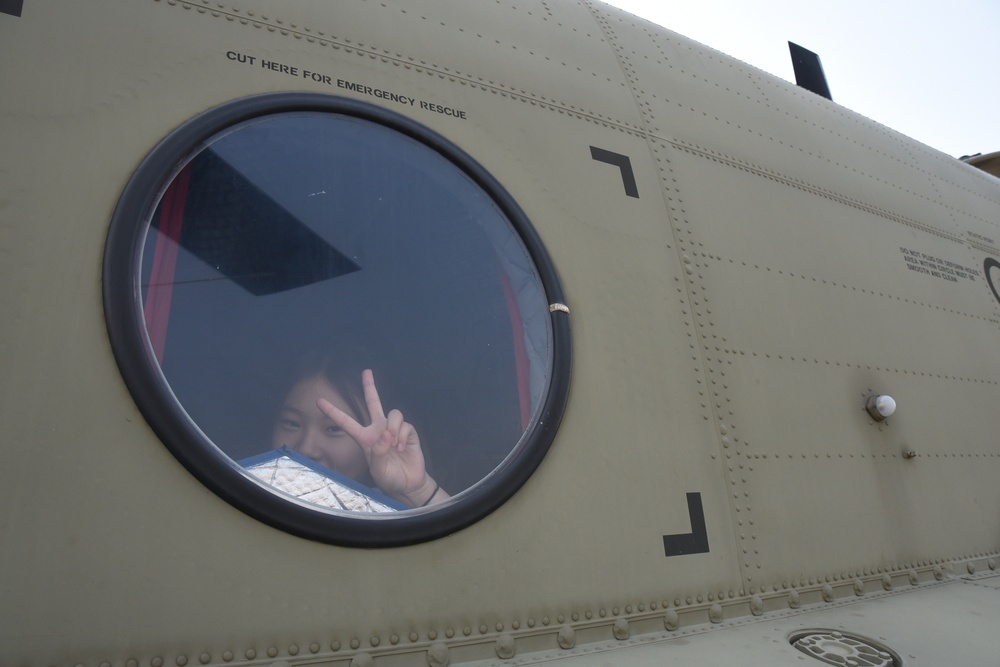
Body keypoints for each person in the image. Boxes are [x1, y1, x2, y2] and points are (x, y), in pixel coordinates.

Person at [271, 354, 448, 509]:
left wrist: (417, 492)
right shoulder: (251, 493)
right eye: (292, 423)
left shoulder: (387, 520)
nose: (306, 449)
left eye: (334, 428)